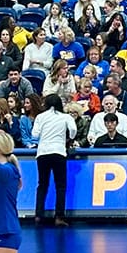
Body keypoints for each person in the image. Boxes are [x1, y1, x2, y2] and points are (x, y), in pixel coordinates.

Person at [32, 94, 77, 227]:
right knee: (60, 186)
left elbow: (34, 134)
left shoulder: (41, 117)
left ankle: (39, 215)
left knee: (42, 185)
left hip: (43, 153)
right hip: (58, 152)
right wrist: (70, 138)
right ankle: (59, 217)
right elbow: (73, 129)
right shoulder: (65, 117)